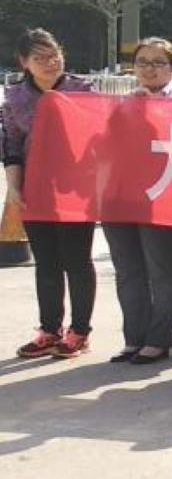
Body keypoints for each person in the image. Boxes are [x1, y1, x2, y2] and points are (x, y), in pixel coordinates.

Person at [102, 37, 172, 366]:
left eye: (158, 63)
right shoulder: (124, 101)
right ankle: (134, 337)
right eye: (142, 62)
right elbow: (105, 144)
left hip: (162, 196)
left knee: (162, 269)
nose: (149, 69)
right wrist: (129, 109)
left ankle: (158, 340)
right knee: (128, 269)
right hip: (121, 195)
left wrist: (153, 111)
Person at [5, 29, 95, 360]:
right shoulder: (15, 97)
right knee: (46, 262)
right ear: (24, 62)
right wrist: (14, 188)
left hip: (76, 190)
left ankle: (80, 331)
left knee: (77, 260)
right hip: (36, 188)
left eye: (54, 55)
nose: (50, 63)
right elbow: (12, 146)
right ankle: (49, 329)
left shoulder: (83, 90)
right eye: (40, 58)